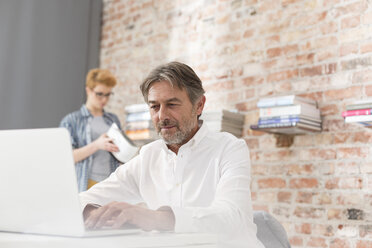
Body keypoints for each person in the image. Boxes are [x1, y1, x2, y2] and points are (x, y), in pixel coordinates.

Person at [80, 62, 264, 248]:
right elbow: (82, 200)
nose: (162, 116)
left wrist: (155, 218)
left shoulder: (230, 148)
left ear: (199, 105)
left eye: (172, 104)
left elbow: (231, 216)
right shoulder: (147, 157)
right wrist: (95, 214)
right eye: (154, 107)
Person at [60, 68, 122, 192]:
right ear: (88, 90)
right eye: (99, 94)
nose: (104, 99)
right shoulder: (72, 120)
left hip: (111, 183)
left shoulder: (112, 119)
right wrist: (97, 145)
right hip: (86, 183)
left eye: (108, 94)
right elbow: (66, 157)